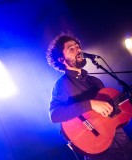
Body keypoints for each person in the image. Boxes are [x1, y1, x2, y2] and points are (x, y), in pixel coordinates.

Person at [46, 32, 132, 160]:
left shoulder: (95, 81)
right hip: (100, 152)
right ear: (61, 59)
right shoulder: (63, 84)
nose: (78, 50)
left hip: (123, 143)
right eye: (71, 49)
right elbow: (55, 114)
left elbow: (109, 113)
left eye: (77, 46)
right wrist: (91, 104)